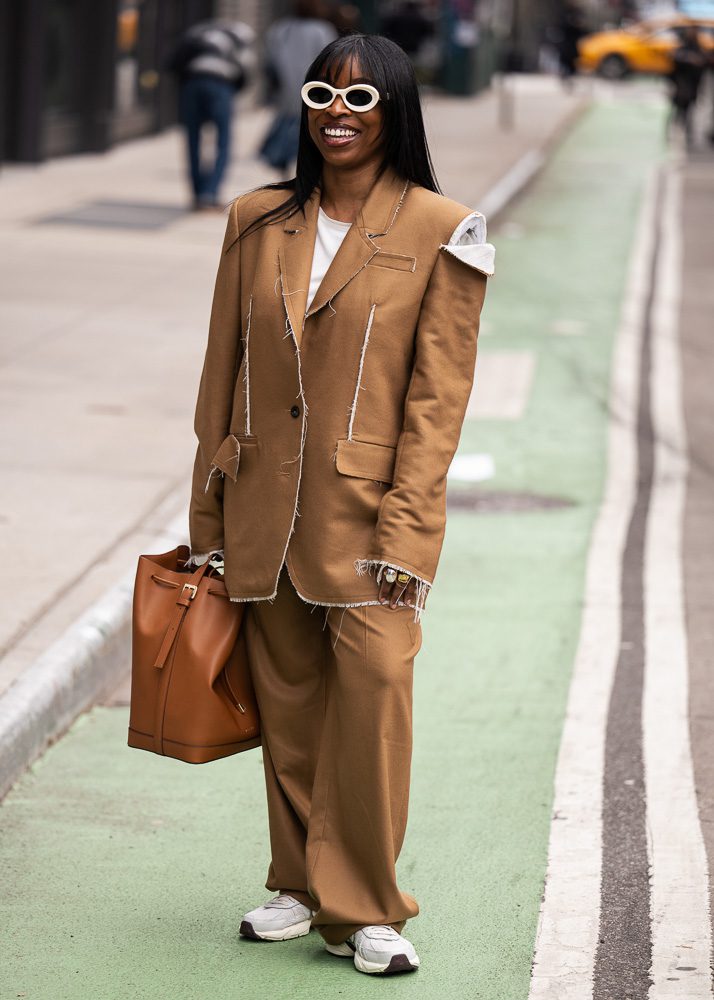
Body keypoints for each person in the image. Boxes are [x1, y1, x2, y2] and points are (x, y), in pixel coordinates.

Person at [187, 33, 494, 976]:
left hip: (373, 524)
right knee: (288, 706)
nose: (339, 112)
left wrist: (409, 527)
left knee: (371, 706)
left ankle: (366, 906)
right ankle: (297, 881)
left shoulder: (446, 226)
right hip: (262, 512)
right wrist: (208, 524)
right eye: (324, 92)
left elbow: (438, 401)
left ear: (396, 109)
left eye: (363, 98)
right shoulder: (253, 219)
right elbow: (221, 380)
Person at [166, 19, 255, 209]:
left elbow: (174, 62)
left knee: (193, 139)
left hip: (192, 82)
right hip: (221, 85)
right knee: (223, 140)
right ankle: (210, 194)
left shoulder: (197, 31)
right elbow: (245, 69)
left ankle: (197, 194)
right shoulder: (240, 35)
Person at [260, 1, 337, 175]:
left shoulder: (280, 29)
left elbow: (269, 61)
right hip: (314, 91)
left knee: (287, 127)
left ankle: (284, 166)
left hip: (287, 91)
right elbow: (330, 61)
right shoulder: (322, 30)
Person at [668, 24, 706, 149]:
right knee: (677, 112)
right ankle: (671, 133)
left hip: (693, 86)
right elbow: (675, 58)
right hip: (681, 85)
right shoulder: (683, 48)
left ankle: (688, 136)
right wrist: (689, 59)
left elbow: (704, 61)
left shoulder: (698, 48)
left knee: (688, 112)